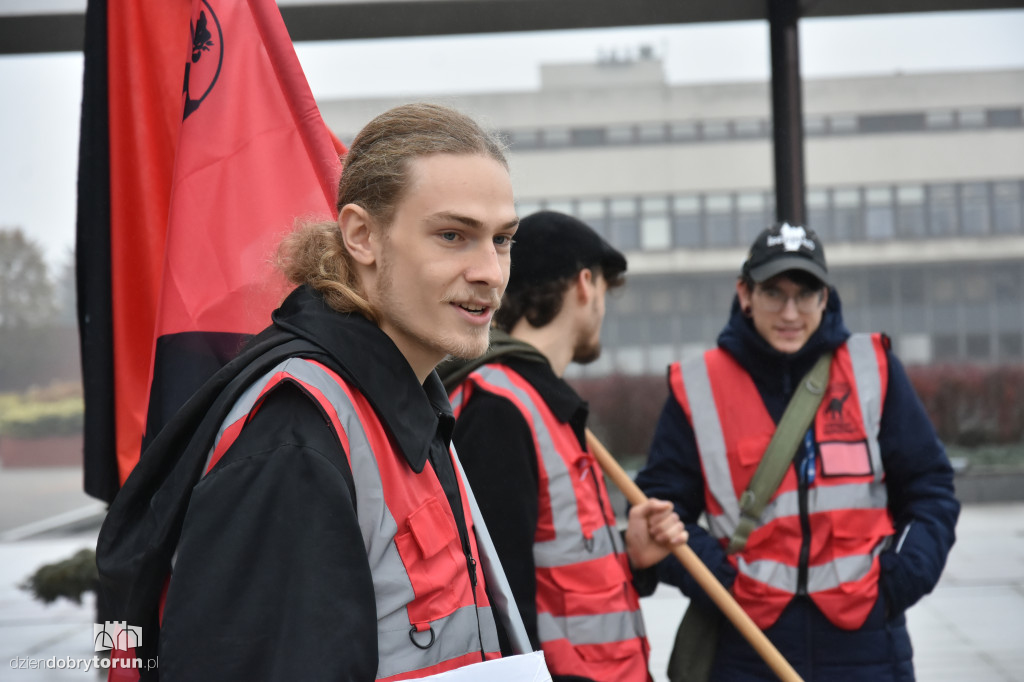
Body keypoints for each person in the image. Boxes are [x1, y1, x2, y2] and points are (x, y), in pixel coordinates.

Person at [96, 102, 525, 681]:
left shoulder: (403, 397)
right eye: (453, 235)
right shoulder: (296, 432)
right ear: (361, 235)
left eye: (501, 240)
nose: (490, 272)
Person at [635, 221, 960, 681]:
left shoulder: (874, 369)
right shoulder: (699, 385)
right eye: (773, 293)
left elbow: (931, 489)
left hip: (866, 641)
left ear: (825, 297)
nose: (790, 312)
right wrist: (722, 583)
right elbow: (660, 515)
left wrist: (898, 580)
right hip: (748, 643)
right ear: (745, 294)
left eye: (805, 294)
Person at [440, 211, 688, 682]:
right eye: (603, 294)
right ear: (584, 284)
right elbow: (500, 601)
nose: (601, 308)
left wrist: (628, 557)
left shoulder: (537, 402)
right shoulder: (498, 408)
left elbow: (558, 574)